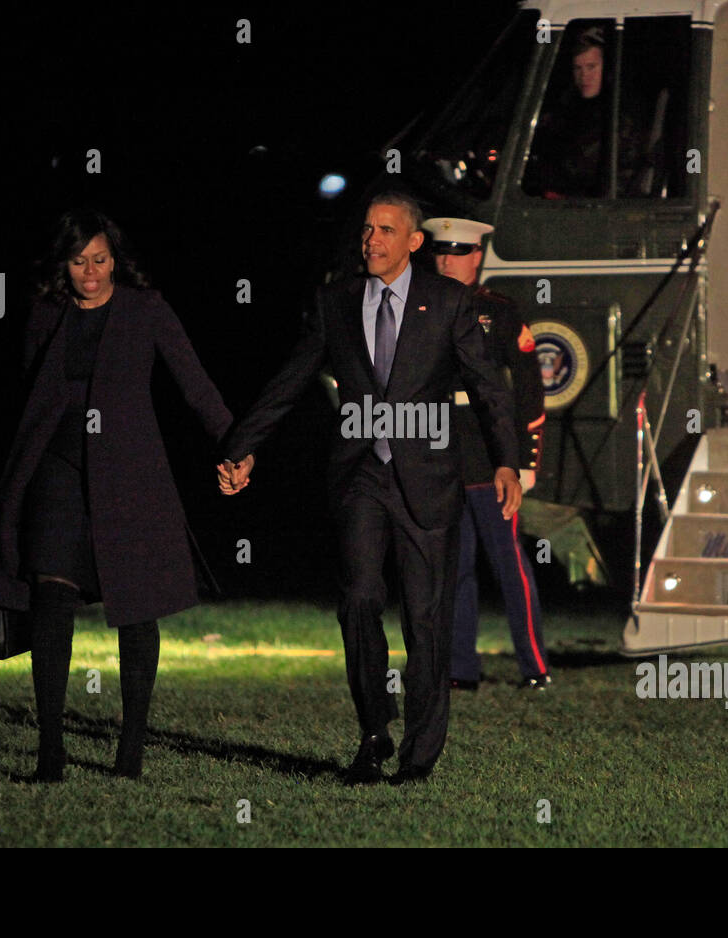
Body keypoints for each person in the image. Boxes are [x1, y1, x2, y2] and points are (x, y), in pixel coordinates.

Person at [218, 192, 522, 785]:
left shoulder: (451, 301)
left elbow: (489, 387)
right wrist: (242, 446)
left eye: (386, 230)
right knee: (358, 598)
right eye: (366, 230)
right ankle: (375, 728)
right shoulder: (334, 303)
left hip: (429, 480)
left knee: (426, 619)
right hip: (361, 474)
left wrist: (508, 461)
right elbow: (289, 381)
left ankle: (419, 754)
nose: (371, 240)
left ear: (413, 242)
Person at [0, 208, 233, 782]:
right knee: (50, 595)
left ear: (115, 258)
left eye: (99, 259)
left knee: (137, 605)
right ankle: (50, 752)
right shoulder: (46, 313)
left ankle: (131, 749)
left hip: (129, 473)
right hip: (57, 470)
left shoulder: (146, 310)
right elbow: (27, 392)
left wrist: (236, 445)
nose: (89, 273)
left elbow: (195, 384)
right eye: (77, 262)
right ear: (62, 265)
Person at [422, 217, 551, 692]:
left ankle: (534, 664)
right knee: (454, 568)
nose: (446, 260)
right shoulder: (420, 307)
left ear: (477, 256)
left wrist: (524, 461)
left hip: (492, 457)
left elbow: (529, 390)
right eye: (440, 252)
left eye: (457, 252)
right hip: (442, 456)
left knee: (508, 563)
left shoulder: (497, 313)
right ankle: (461, 668)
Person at [524, 26, 612, 199]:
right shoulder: (568, 106)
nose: (584, 75)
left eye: (591, 67)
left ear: (606, 68)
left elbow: (576, 168)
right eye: (577, 68)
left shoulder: (615, 114)